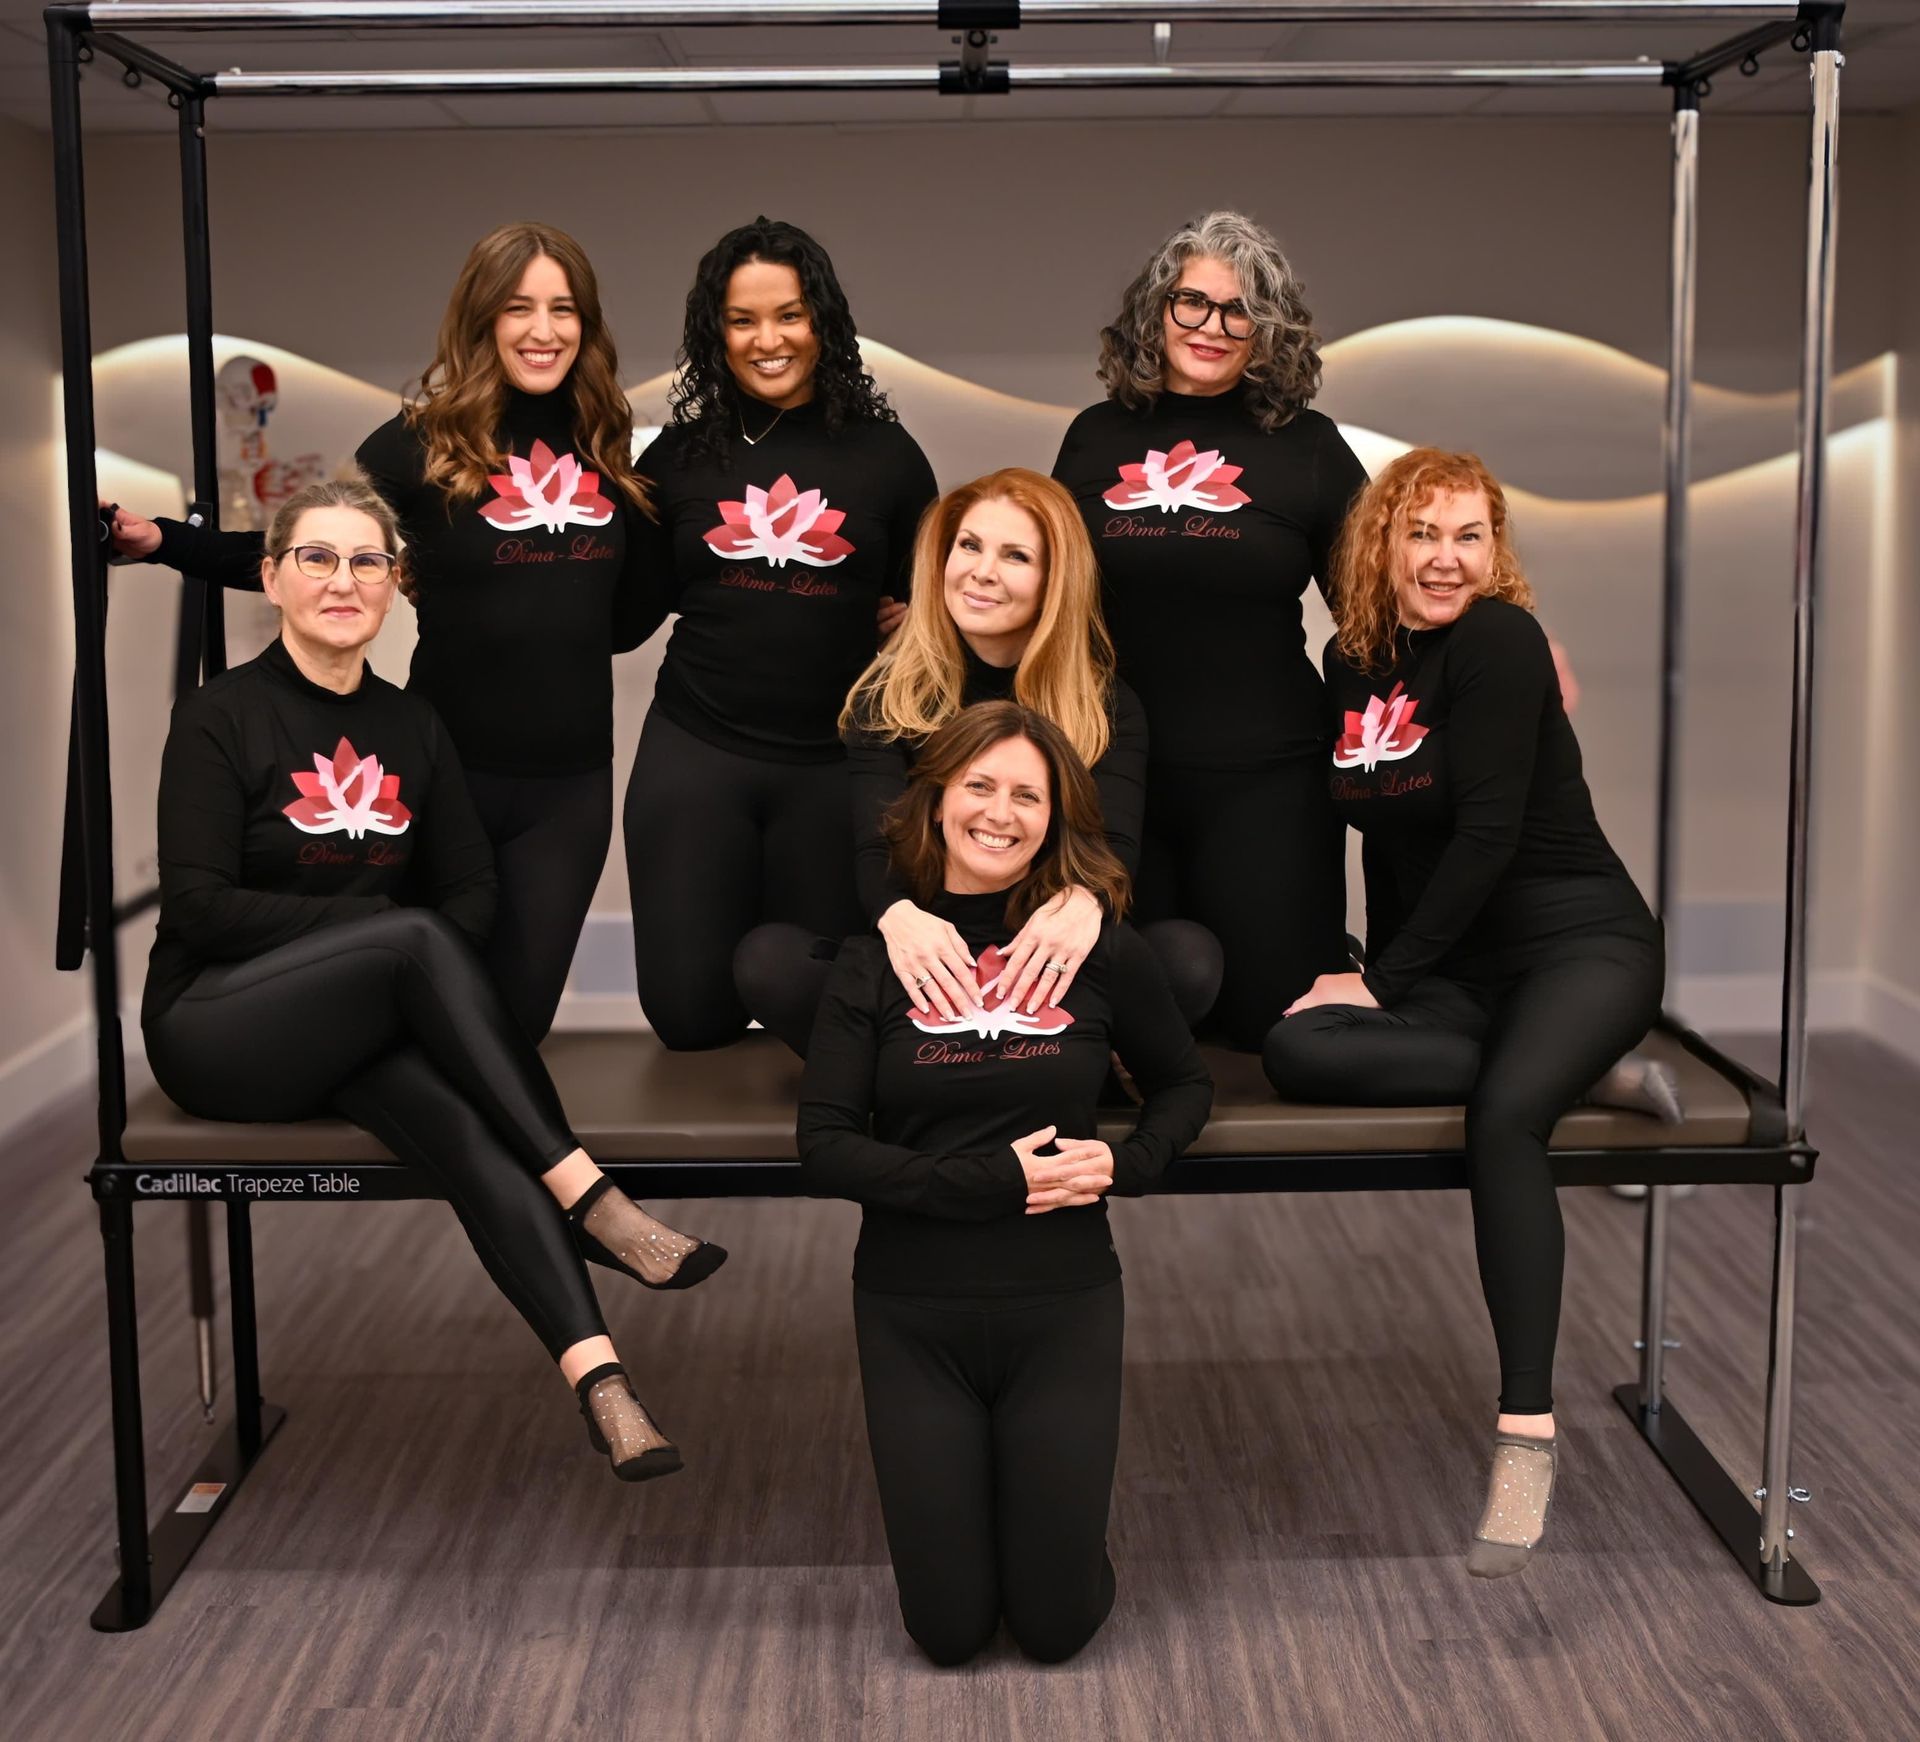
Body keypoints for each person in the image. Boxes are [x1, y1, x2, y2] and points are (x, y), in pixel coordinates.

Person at [142, 479, 723, 1481]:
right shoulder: (219, 716)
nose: (343, 579)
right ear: (273, 577)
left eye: (367, 560)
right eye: (317, 558)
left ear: (396, 584)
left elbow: (468, 885)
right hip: (218, 1026)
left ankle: (604, 1384)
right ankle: (594, 1198)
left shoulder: (413, 724)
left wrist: (396, 962)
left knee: (467, 1133)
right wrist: (378, 936)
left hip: (348, 1023)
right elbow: (199, 908)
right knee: (409, 938)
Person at [1262, 448, 1668, 1577]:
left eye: (1469, 535)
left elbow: (1487, 835)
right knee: (1300, 1043)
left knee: (1503, 1123)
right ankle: (1570, 1067)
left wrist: (1385, 986)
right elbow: (1385, 842)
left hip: (1577, 940)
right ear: (1379, 546)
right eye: (1422, 533)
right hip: (1467, 970)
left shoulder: (1500, 642)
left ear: (1496, 551)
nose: (1446, 558)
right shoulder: (1351, 660)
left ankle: (1526, 1430)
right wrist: (1370, 967)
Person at [111, 221, 655, 1043]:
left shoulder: (606, 444)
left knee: (515, 1026)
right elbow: (312, 552)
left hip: (570, 790)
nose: (544, 331)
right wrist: (165, 541)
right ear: (481, 319)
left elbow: (627, 610)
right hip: (442, 775)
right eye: (519, 308)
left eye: (564, 309)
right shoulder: (414, 448)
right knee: (427, 1015)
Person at [798, 701, 1212, 1665]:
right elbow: (823, 1147)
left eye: (1028, 794)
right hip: (912, 1315)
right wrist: (993, 1181)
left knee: (1055, 1628)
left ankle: (1050, 1542)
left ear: (1056, 816)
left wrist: (1131, 1162)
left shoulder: (1096, 949)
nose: (1001, 811)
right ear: (936, 801)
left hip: (1061, 1310)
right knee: (945, 1632)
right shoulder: (874, 961)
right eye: (980, 786)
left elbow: (1184, 1084)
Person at [737, 466, 1219, 1054]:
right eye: (969, 546)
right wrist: (898, 917)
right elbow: (876, 846)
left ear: (1053, 580)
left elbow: (1113, 849)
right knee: (770, 961)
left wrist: (1082, 903)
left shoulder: (1108, 705)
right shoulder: (885, 696)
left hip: (1044, 965)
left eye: (1015, 556)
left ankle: (950, 1066)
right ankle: (1028, 1064)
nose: (982, 572)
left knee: (1189, 960)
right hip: (929, 961)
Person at [1052, 210, 1370, 1049]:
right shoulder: (1095, 436)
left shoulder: (1308, 447)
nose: (1213, 327)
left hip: (1267, 782)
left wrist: (1497, 644)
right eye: (1192, 302)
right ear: (1157, 310)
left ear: (1268, 331)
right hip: (1120, 777)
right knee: (1143, 1019)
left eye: (1240, 310)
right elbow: (1047, 591)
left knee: (1267, 1028)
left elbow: (1376, 606)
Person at [622, 216, 939, 1049]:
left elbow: (933, 620)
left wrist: (921, 623)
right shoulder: (678, 458)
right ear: (714, 332)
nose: (769, 340)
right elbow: (623, 618)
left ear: (823, 321)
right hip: (697, 754)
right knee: (689, 1023)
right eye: (742, 320)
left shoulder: (888, 458)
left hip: (837, 767)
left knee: (821, 1008)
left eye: (790, 314)